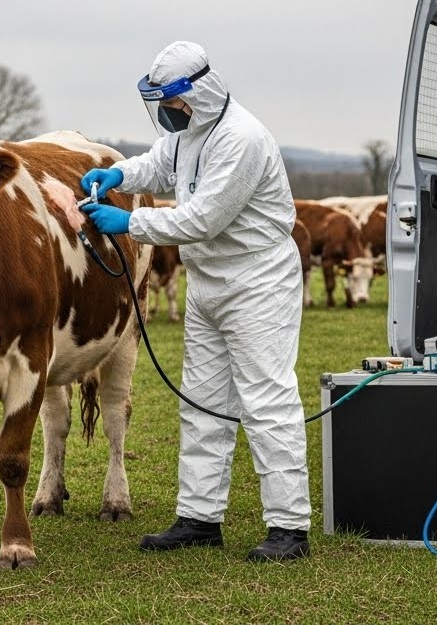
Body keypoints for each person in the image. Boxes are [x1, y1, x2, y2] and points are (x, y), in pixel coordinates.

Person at [80, 40, 310, 562]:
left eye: (172, 101)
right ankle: (199, 517)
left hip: (257, 281)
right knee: (203, 401)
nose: (168, 112)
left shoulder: (242, 139)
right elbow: (159, 166)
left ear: (198, 93)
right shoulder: (191, 133)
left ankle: (289, 527)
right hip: (207, 281)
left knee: (267, 400)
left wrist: (129, 222)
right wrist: (118, 175)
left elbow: (203, 217)